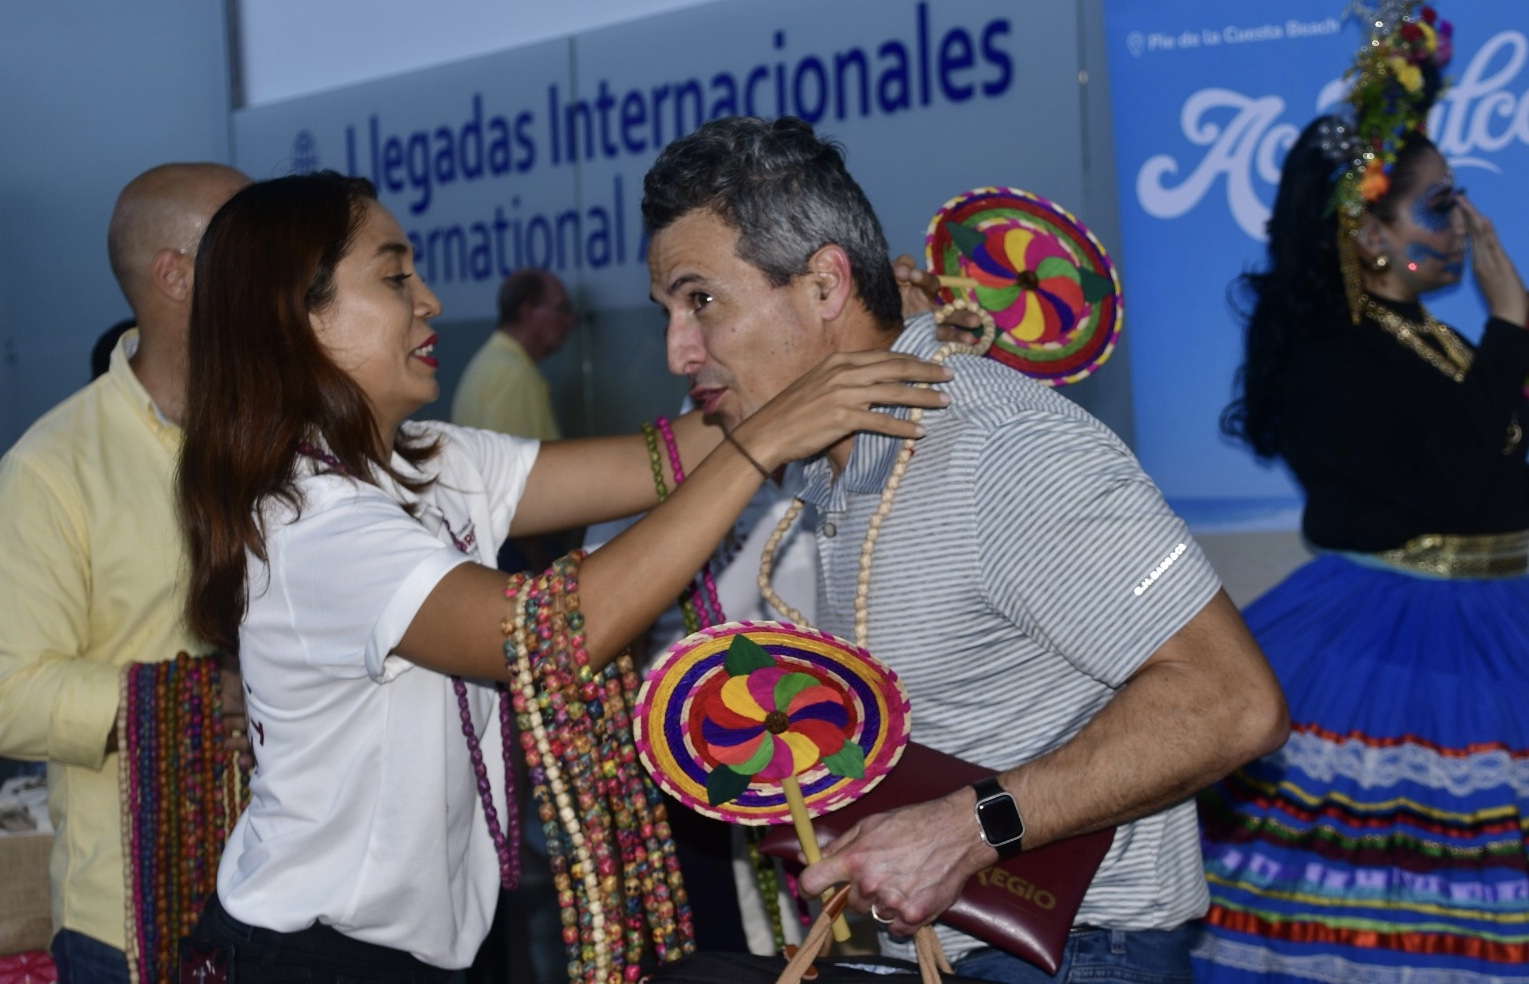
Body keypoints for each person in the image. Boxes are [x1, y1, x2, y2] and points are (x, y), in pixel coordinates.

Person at [174, 169, 951, 982]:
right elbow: (548, 636)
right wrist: (769, 439)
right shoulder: (312, 524)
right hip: (311, 955)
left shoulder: (428, 463)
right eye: (396, 277)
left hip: (430, 947)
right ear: (296, 320)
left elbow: (666, 460)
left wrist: (839, 339)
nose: (430, 301)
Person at [640, 114, 1288, 984]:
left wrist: (959, 831)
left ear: (824, 285)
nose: (679, 349)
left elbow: (1231, 701)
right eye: (670, 311)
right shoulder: (848, 453)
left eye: (701, 301)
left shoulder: (996, 443)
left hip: (1078, 954)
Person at [1194, 8, 1529, 981]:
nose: (1461, 226)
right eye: (1437, 208)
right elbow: (1448, 483)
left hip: (1495, 614)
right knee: (1396, 901)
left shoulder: (1422, 335)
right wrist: (1508, 326)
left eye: (1456, 201)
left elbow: (1497, 466)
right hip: (1401, 639)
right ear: (1365, 233)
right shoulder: (1329, 361)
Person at [0, 162, 251, 984]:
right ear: (173, 275)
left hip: (311, 898)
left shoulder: (295, 435)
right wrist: (198, 695)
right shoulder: (52, 467)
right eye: (244, 246)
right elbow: (11, 694)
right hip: (133, 923)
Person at [452, 267, 575, 441]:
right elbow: (517, 465)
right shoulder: (513, 374)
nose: (570, 321)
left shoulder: (491, 362)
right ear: (528, 311)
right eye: (562, 309)